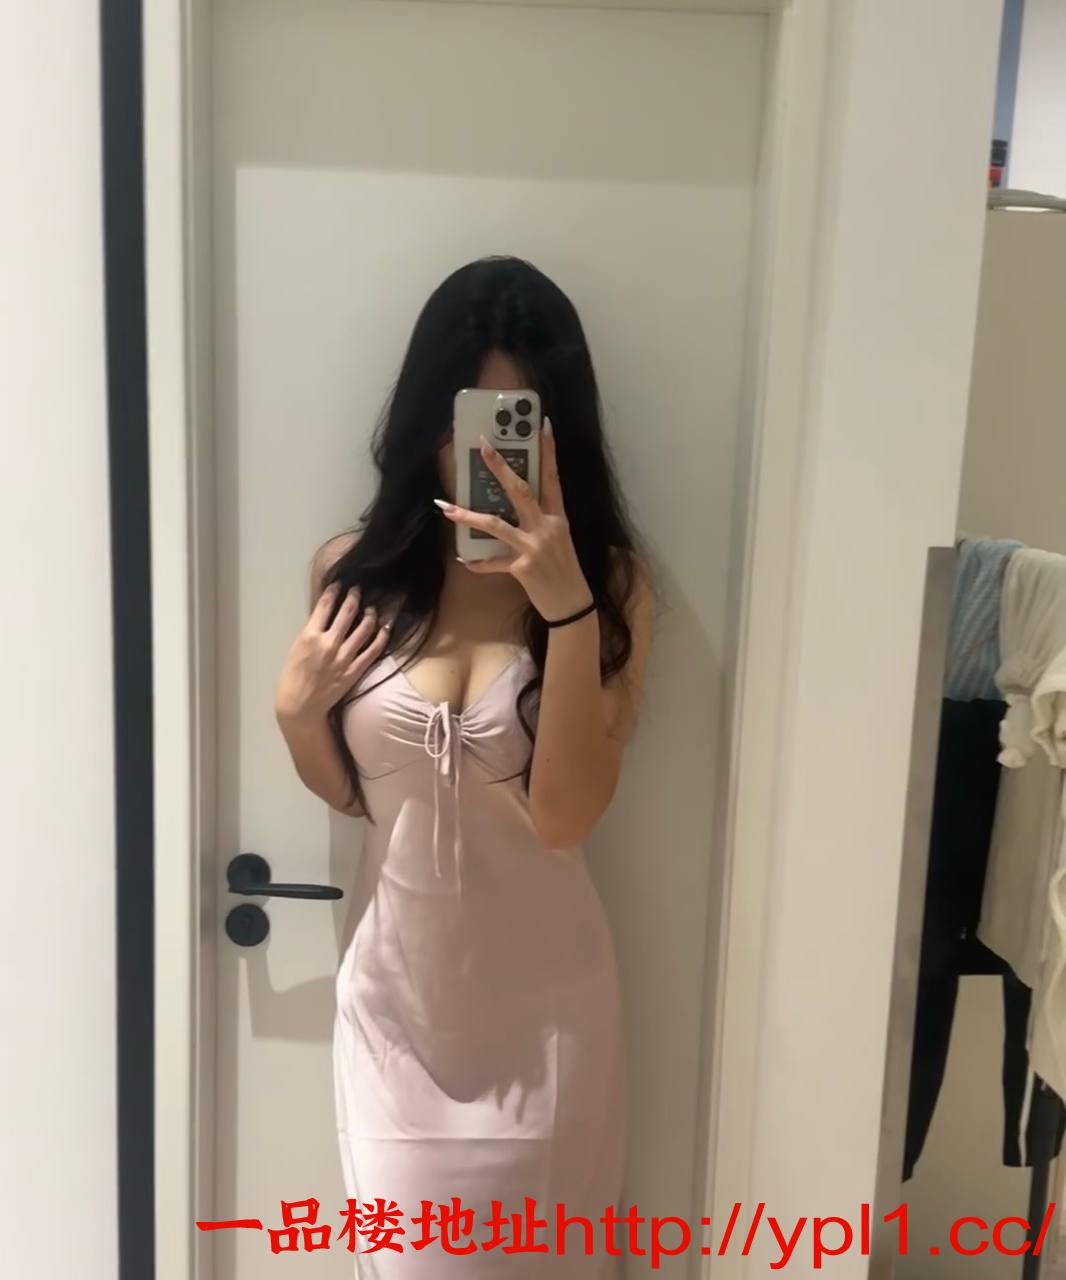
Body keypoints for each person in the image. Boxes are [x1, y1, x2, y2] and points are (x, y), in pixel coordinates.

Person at [273, 256, 656, 1277]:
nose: (483, 456)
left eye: (512, 424)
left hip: (550, 1032)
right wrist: (296, 717)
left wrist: (567, 609)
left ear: (556, 434)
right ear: (426, 421)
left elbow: (564, 816)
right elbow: (356, 796)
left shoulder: (610, 588)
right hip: (395, 1024)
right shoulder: (354, 572)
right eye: (465, 421)